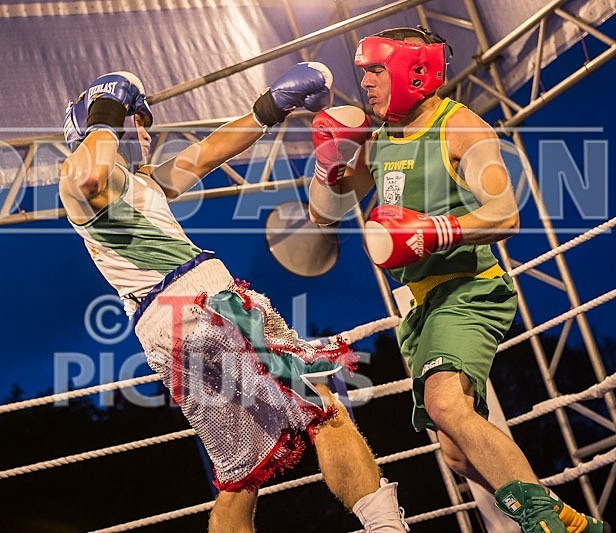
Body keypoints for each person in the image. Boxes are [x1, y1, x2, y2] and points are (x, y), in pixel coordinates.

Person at [58, 66, 409, 532]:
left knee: (240, 472)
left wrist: (271, 106)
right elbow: (89, 175)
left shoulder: (142, 182)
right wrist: (106, 107)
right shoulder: (77, 177)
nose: (145, 132)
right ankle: (387, 527)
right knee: (323, 407)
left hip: (167, 330)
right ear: (102, 123)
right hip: (202, 305)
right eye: (136, 119)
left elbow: (208, 153)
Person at [308, 26, 611, 533]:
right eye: (364, 73)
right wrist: (326, 166)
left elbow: (505, 213)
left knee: (446, 403)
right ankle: (574, 523)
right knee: (458, 454)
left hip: (468, 288)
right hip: (421, 306)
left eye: (376, 70)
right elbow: (324, 216)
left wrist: (432, 230)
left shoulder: (461, 128)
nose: (366, 83)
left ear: (414, 71)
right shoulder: (380, 140)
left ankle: (545, 526)